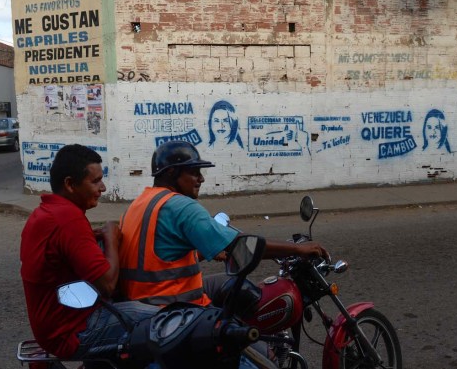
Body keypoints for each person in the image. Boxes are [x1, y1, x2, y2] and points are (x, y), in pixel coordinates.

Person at [118, 140, 328, 306]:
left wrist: (203, 251)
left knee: (231, 284)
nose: (201, 179)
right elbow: (242, 245)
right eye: (194, 173)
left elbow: (157, 254)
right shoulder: (182, 207)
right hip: (174, 306)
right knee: (256, 344)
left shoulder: (139, 203)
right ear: (172, 173)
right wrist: (297, 249)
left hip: (140, 302)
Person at [20, 144, 159, 360]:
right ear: (70, 184)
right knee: (171, 323)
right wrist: (111, 237)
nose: (102, 188)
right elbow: (108, 284)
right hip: (74, 331)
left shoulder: (45, 212)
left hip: (51, 329)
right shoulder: (68, 219)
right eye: (95, 181)